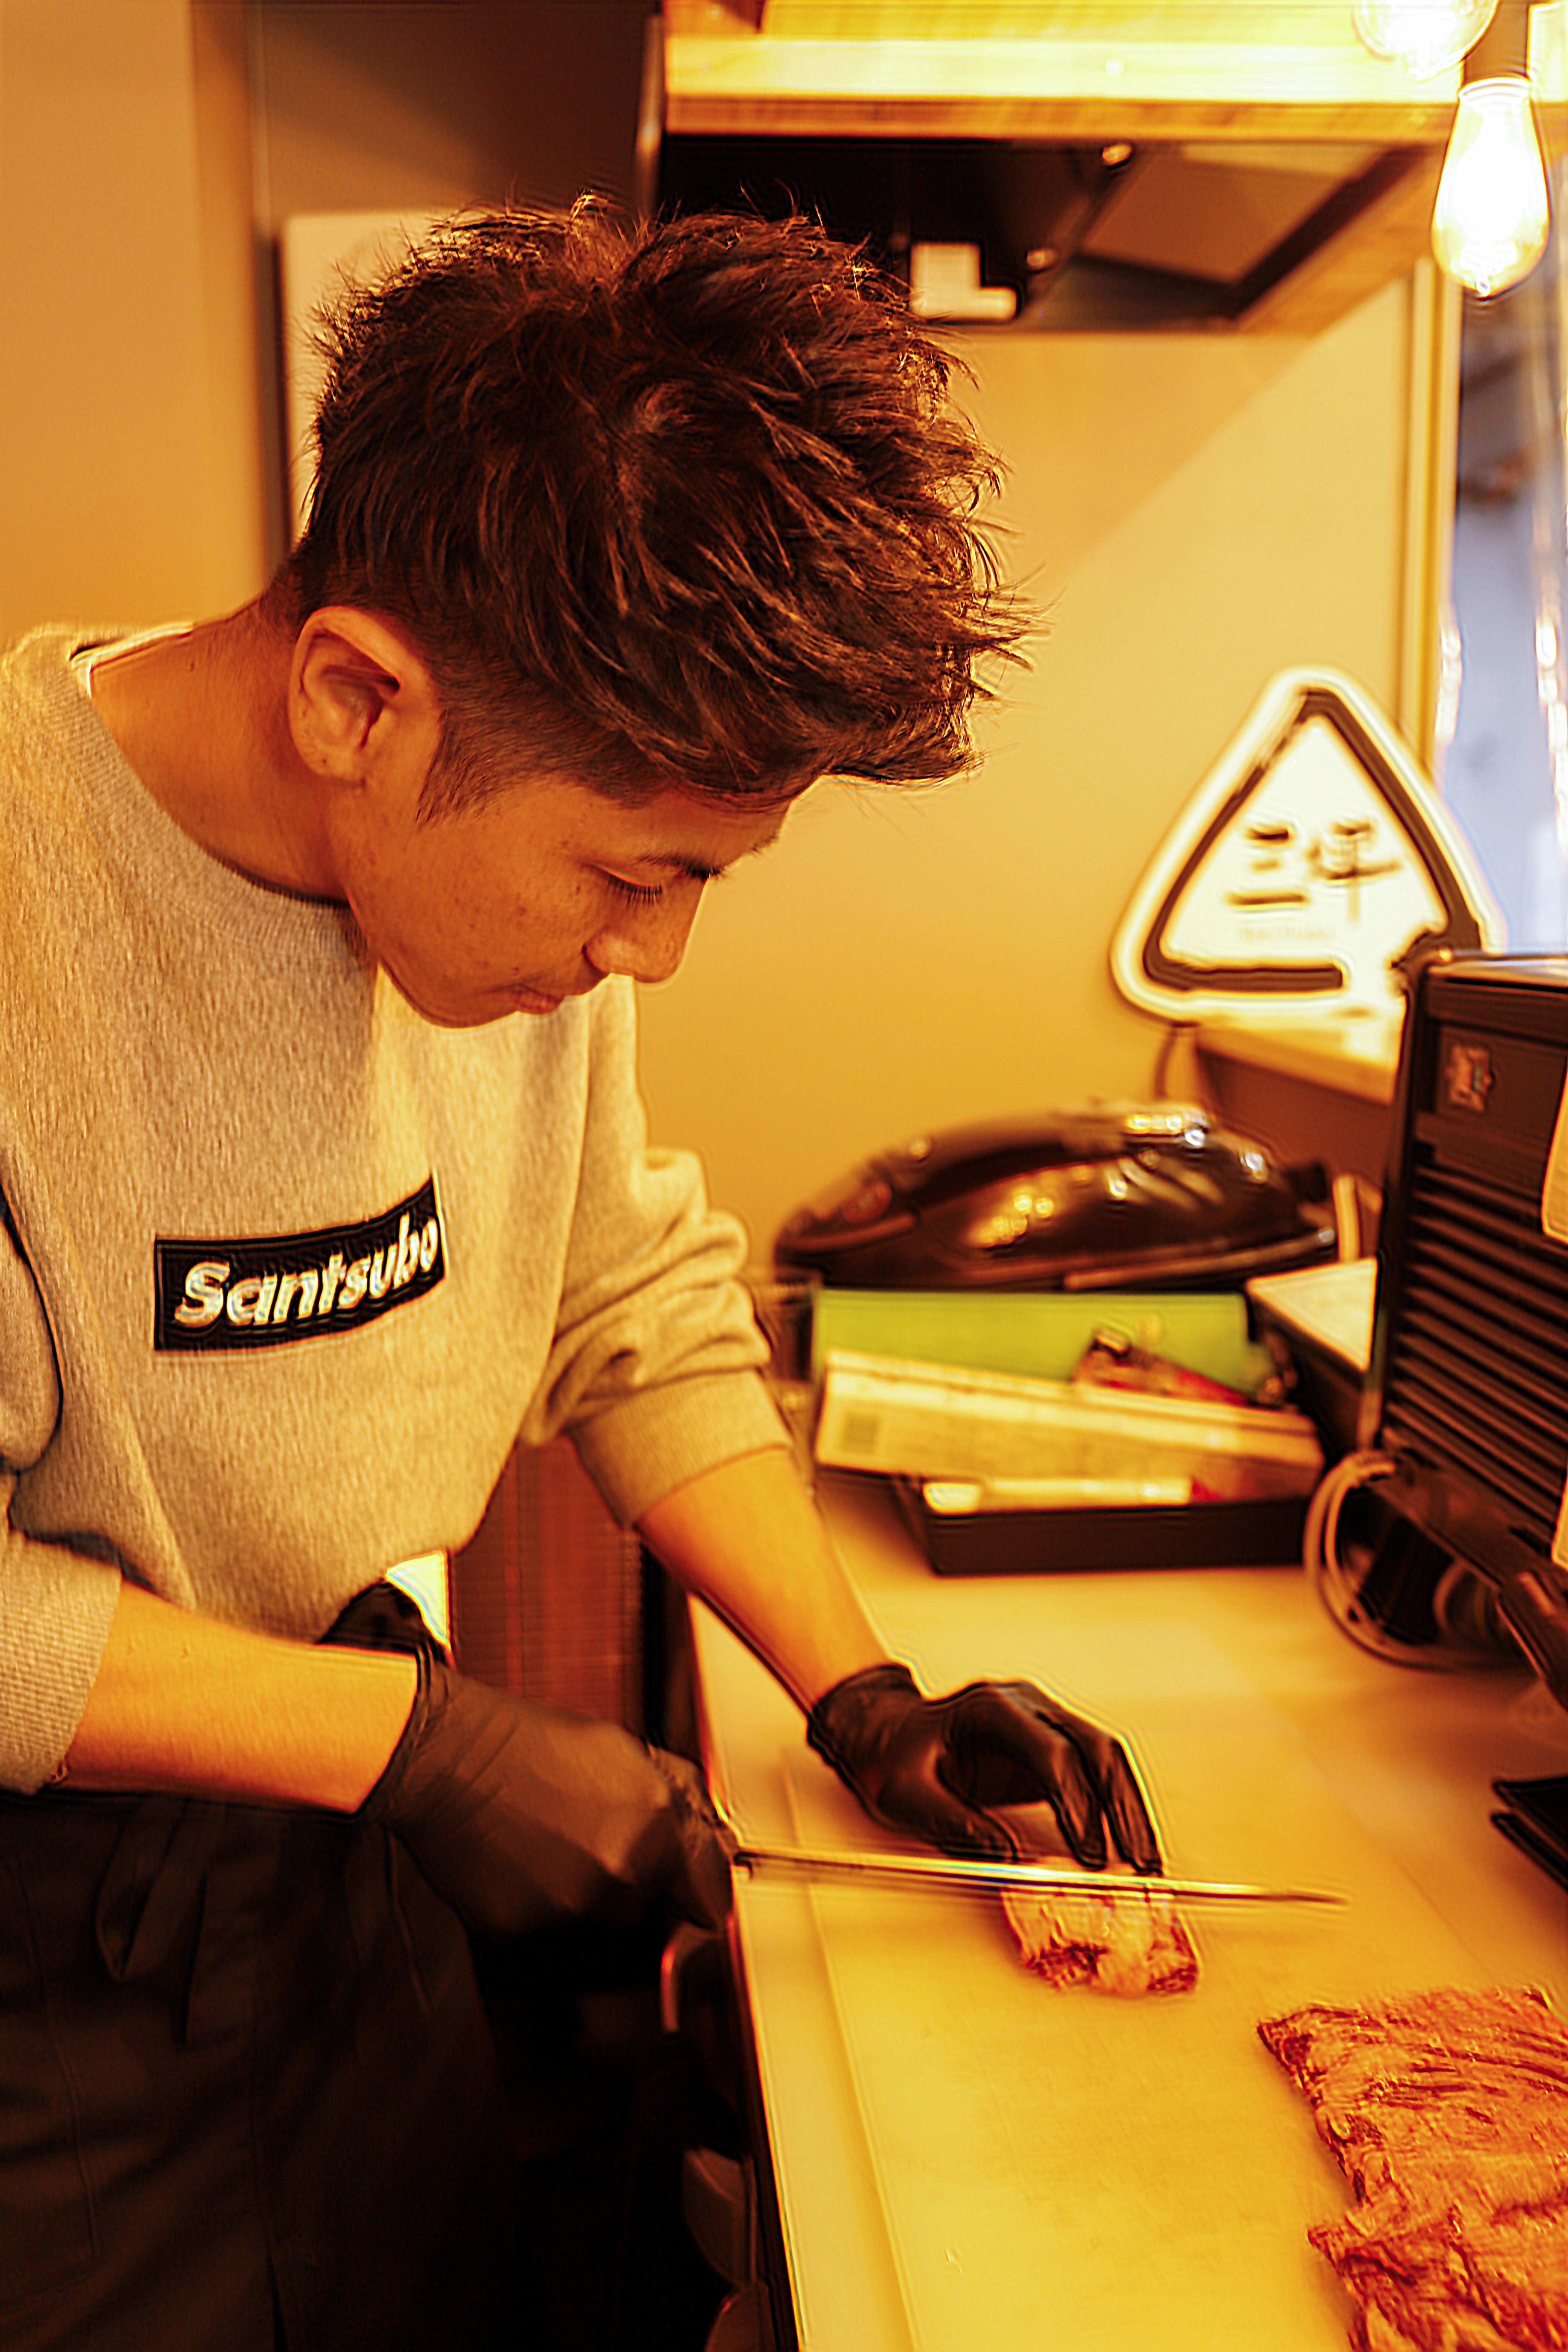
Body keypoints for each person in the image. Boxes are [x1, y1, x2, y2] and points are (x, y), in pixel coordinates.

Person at [0, 203, 1160, 2350]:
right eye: (637, 874)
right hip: (45, 1981)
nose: (655, 954)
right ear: (358, 699)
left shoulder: (508, 931)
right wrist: (420, 1742)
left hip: (346, 1870)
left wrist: (864, 1696)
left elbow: (621, 1290)